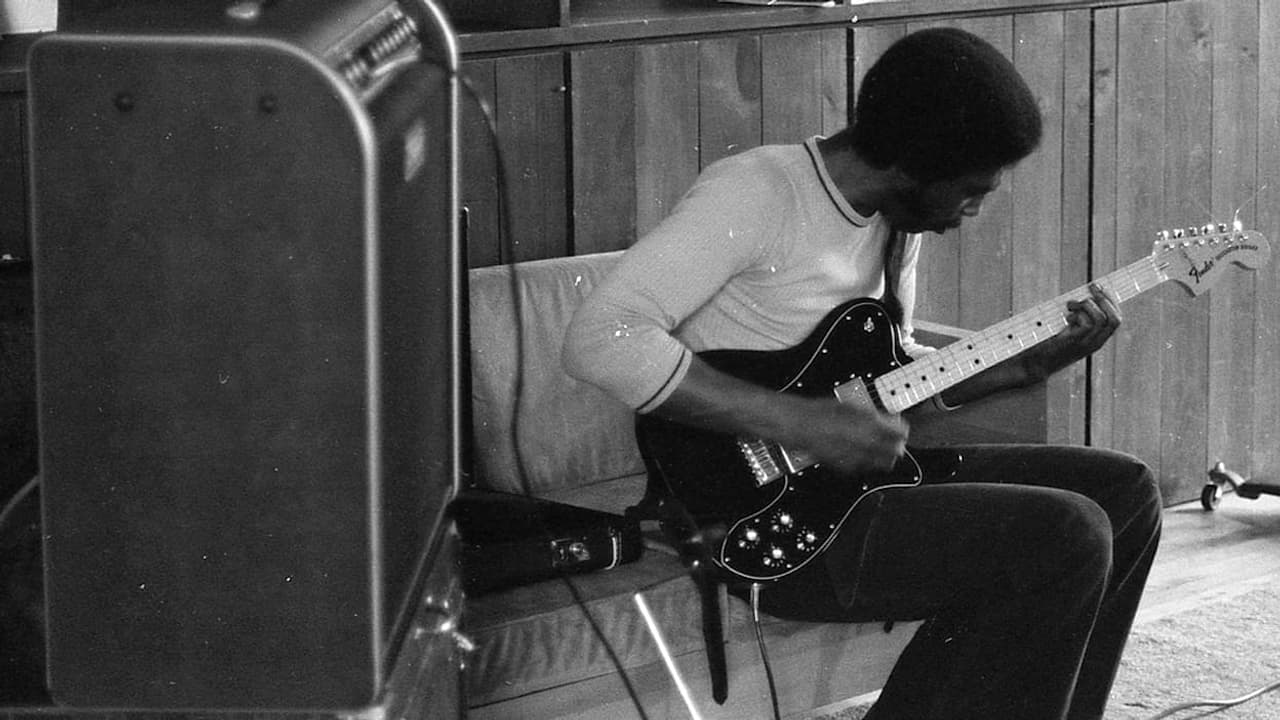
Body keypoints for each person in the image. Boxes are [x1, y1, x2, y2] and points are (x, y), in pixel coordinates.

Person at [562, 27, 1162, 720]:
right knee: (1065, 535)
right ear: (913, 163)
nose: (975, 210)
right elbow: (600, 338)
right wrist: (800, 423)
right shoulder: (757, 192)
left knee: (1125, 492)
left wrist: (1024, 365)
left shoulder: (895, 221)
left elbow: (889, 384)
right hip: (759, 517)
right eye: (971, 190)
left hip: (854, 488)